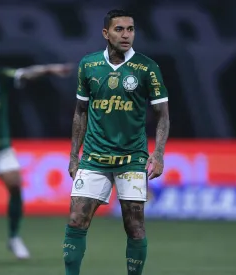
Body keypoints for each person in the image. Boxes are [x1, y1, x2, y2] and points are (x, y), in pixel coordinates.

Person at [63, 9, 170, 275]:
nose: (126, 35)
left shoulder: (147, 68)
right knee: (76, 220)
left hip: (132, 159)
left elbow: (163, 115)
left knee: (135, 226)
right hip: (94, 157)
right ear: (105, 33)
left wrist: (157, 154)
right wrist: (74, 155)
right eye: (119, 29)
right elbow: (80, 111)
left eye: (130, 29)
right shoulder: (89, 65)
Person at [0, 35, 73, 259]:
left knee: (15, 183)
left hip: (1, 147)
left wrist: (49, 69)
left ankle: (13, 237)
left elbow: (25, 73)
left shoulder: (0, 77)